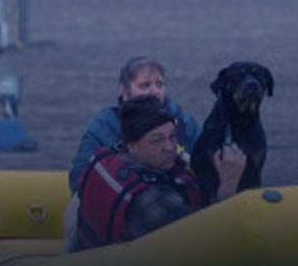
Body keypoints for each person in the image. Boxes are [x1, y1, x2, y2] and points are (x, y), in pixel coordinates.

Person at [72, 95, 245, 251]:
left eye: (172, 137)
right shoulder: (151, 201)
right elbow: (209, 244)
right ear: (132, 145)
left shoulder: (109, 155)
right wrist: (228, 185)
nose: (170, 148)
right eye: (157, 140)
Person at [68, 56, 200, 194]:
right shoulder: (105, 124)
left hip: (174, 198)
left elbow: (208, 161)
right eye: (145, 85)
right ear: (124, 91)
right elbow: (79, 177)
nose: (155, 91)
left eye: (159, 84)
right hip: (127, 201)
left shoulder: (182, 122)